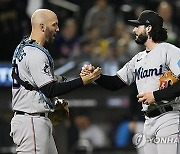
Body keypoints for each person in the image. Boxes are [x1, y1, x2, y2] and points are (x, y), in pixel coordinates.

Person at [81, 10, 180, 154]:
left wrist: (156, 96)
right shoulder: (138, 59)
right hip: (148, 121)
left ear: (149, 28)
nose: (134, 30)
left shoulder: (169, 50)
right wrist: (97, 76)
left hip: (169, 117)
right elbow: (116, 83)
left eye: (138, 26)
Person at [10, 9, 101, 154]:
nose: (57, 29)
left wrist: (73, 79)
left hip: (35, 119)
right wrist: (82, 81)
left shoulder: (25, 46)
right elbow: (49, 89)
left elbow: (44, 81)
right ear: (42, 27)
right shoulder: (35, 54)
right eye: (54, 25)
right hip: (31, 121)